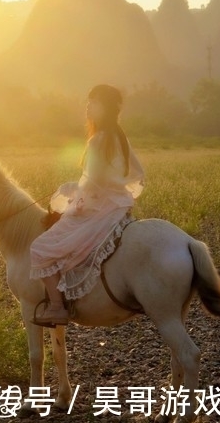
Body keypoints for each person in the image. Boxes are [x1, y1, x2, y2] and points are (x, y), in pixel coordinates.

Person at [30, 83, 145, 326]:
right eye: (88, 102)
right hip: (117, 208)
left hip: (99, 211)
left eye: (92, 103)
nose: (87, 108)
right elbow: (136, 174)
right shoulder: (119, 137)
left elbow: (91, 184)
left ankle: (57, 307)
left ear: (103, 107)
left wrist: (71, 193)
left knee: (39, 249)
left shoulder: (98, 140)